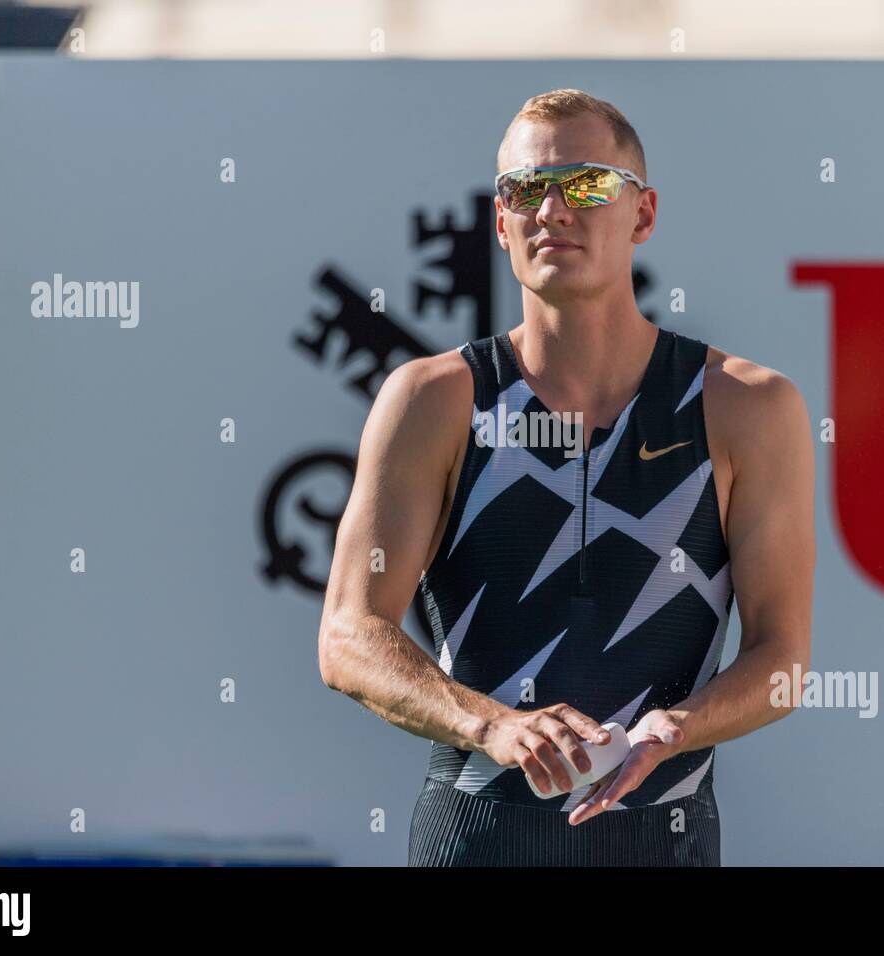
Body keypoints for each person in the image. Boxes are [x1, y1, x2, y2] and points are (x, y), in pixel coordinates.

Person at [318, 88, 814, 866]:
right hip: (470, 845)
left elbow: (783, 658)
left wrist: (676, 727)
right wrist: (493, 725)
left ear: (642, 215)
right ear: (500, 222)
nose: (551, 209)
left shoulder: (746, 406)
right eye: (523, 189)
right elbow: (348, 636)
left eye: (584, 184)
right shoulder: (433, 400)